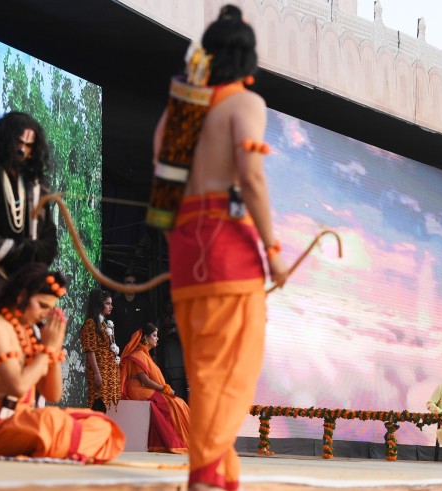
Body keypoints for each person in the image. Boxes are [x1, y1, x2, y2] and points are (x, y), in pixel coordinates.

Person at [158, 6, 289, 489]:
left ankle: (216, 473)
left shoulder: (183, 109)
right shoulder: (244, 104)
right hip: (227, 251)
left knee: (205, 372)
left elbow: (163, 176)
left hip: (184, 248)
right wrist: (273, 250)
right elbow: (251, 177)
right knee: (234, 370)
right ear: (248, 59)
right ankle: (206, 477)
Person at [0, 263, 124, 461]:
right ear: (21, 297)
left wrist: (53, 349)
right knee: (49, 421)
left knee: (103, 426)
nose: (44, 314)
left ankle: (49, 446)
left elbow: (53, 393)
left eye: (49, 308)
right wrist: (47, 349)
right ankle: (54, 446)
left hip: (23, 424)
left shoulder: (31, 333)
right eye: (41, 306)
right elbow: (19, 386)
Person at [0, 112, 58, 323]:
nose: (22, 150)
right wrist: (15, 251)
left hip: (26, 283)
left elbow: (49, 236)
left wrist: (35, 253)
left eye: (29, 145)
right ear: (4, 140)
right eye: (18, 142)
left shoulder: (36, 186)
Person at [120, 323, 190, 454]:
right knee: (172, 403)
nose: (157, 338)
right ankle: (175, 440)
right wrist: (164, 389)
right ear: (146, 338)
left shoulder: (145, 355)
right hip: (138, 389)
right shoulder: (138, 355)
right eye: (154, 335)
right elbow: (145, 380)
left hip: (143, 388)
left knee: (178, 403)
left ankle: (185, 438)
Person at [80, 289, 121, 412]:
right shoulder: (90, 324)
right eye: (108, 303)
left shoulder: (103, 324)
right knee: (97, 407)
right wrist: (97, 373)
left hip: (107, 375)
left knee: (103, 410)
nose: (111, 306)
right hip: (99, 375)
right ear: (98, 303)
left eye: (111, 303)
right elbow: (89, 350)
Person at [111, 273, 153, 352]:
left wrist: (153, 352)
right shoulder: (115, 303)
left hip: (140, 348)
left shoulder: (144, 303)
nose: (131, 285)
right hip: (120, 350)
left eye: (134, 283)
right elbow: (110, 327)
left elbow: (150, 327)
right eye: (128, 282)